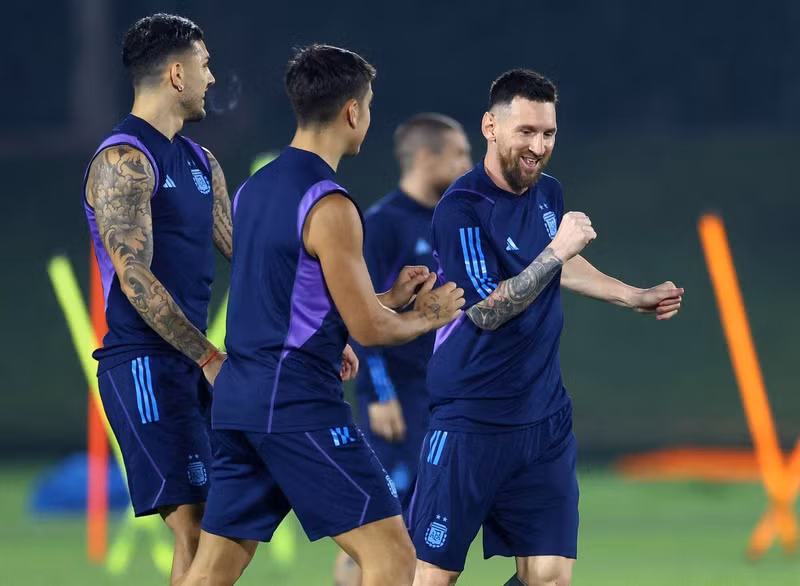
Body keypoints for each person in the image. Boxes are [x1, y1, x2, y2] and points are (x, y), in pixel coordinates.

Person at [177, 45, 465, 586]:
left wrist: (390, 296)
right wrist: (427, 314)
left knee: (210, 573)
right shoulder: (330, 204)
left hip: (241, 404)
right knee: (392, 558)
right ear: (353, 110)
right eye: (369, 106)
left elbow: (290, 301)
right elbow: (368, 329)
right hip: (297, 408)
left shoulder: (252, 189)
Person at [407, 69, 684, 586]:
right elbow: (487, 310)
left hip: (543, 420)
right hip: (472, 421)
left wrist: (631, 294)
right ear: (491, 127)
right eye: (526, 132)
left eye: (549, 133)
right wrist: (557, 248)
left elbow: (558, 266)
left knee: (551, 577)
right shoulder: (462, 208)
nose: (538, 146)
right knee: (434, 577)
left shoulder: (547, 193)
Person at [82, 13, 232, 584]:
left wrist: (343, 314)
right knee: (194, 525)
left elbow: (249, 254)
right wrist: (208, 356)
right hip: (143, 363)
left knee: (226, 520)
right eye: (205, 64)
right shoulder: (124, 161)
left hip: (192, 363)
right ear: (176, 73)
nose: (212, 78)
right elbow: (134, 279)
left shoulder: (200, 162)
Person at [334, 113, 472, 586]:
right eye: (459, 154)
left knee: (423, 523)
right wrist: (380, 392)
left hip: (441, 395)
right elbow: (359, 309)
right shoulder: (382, 224)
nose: (467, 164)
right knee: (380, 526)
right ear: (427, 157)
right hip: (397, 397)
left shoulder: (453, 220)